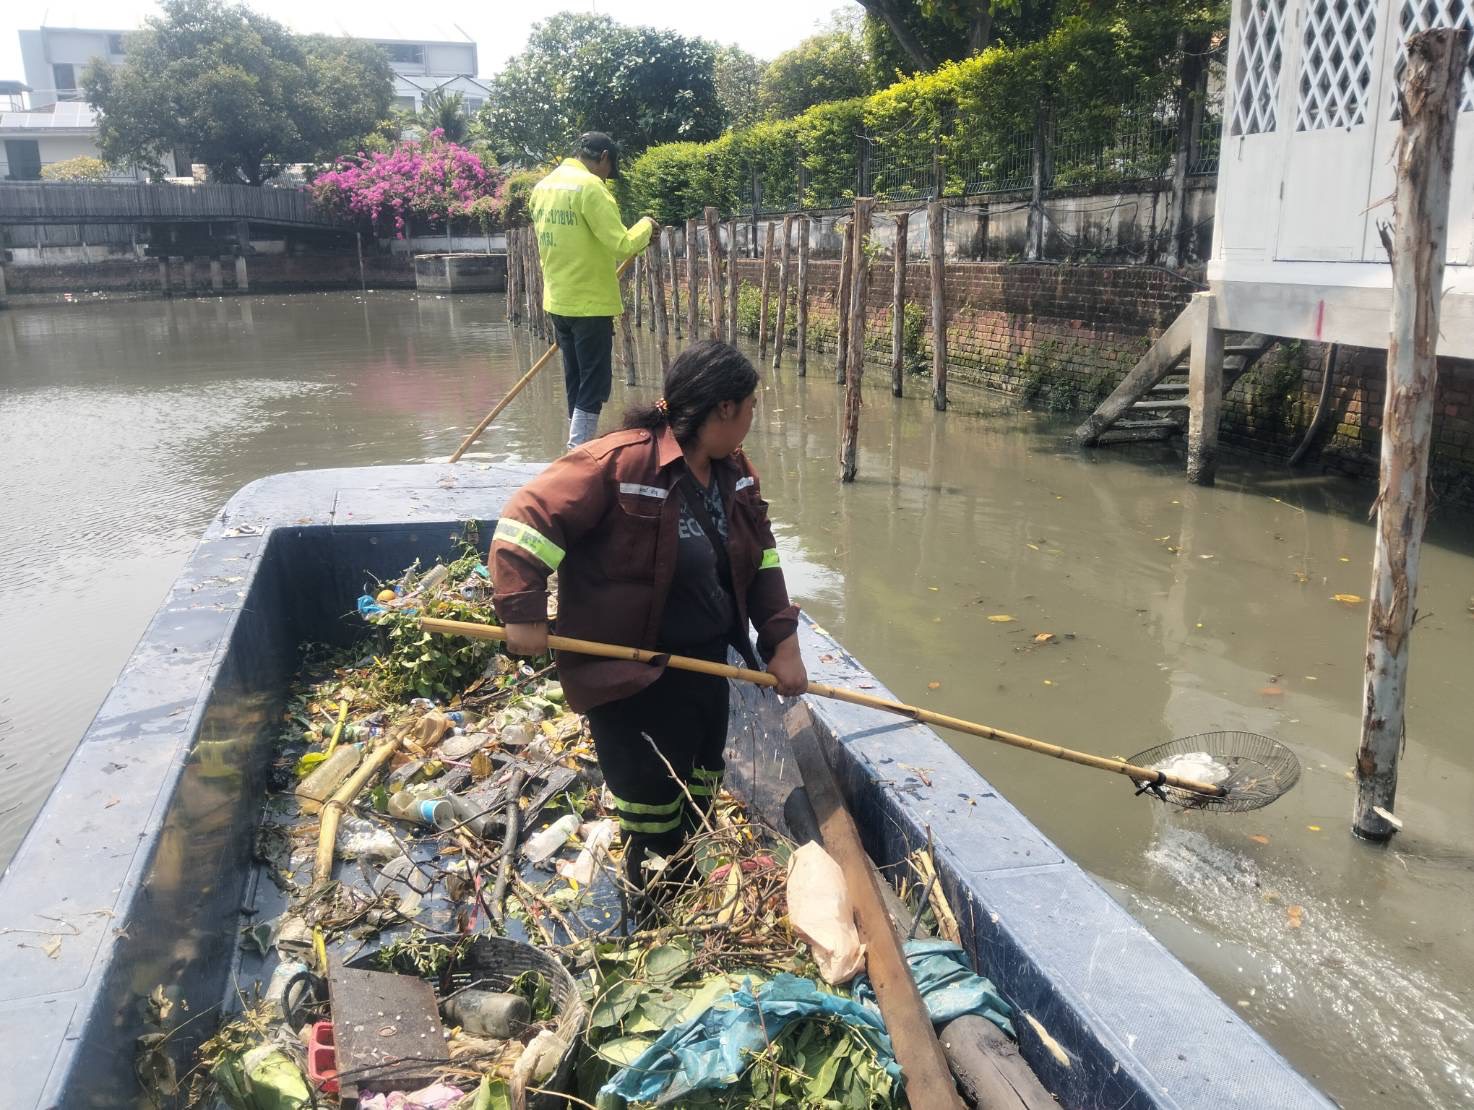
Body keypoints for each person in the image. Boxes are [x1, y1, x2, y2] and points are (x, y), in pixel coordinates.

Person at [490, 340, 807, 893]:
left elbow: (762, 559)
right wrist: (523, 612)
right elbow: (526, 519)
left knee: (699, 787)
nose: (753, 418)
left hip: (705, 666)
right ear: (725, 408)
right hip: (632, 677)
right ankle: (654, 903)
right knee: (652, 810)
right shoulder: (619, 464)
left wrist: (783, 642)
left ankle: (685, 886)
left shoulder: (736, 474)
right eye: (751, 406)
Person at [528, 131, 656, 449]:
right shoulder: (590, 187)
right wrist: (647, 226)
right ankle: (578, 452)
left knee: (576, 381)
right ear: (604, 158)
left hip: (558, 302)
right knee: (595, 384)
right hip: (590, 304)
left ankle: (578, 446)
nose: (607, 177)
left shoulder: (543, 188)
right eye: (609, 170)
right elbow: (621, 244)